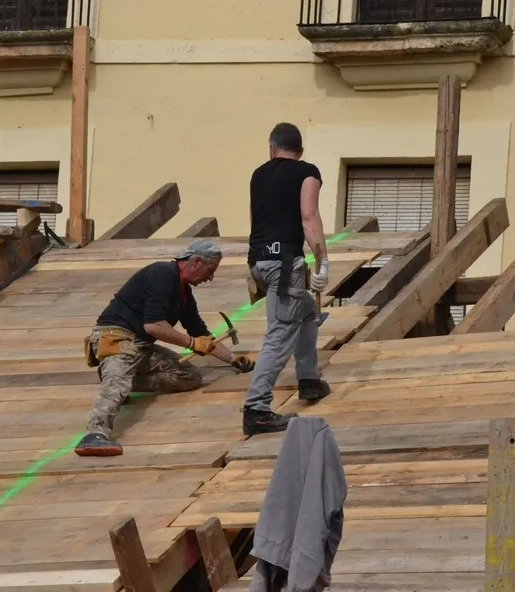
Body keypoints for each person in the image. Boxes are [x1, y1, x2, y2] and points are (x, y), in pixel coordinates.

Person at [75, 239, 256, 457]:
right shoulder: (163, 274)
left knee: (189, 376)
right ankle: (94, 435)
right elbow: (153, 326)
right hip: (117, 337)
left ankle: (127, 380)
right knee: (116, 383)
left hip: (141, 346)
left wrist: (232, 358)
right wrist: (191, 344)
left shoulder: (183, 292)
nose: (210, 278)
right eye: (210, 271)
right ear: (197, 262)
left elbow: (200, 333)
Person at [241, 122, 331, 436]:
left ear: (272, 148)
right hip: (283, 265)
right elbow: (309, 216)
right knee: (279, 335)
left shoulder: (258, 175)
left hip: (259, 263)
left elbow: (256, 221)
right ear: (300, 151)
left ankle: (308, 380)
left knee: (306, 310)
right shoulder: (307, 172)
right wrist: (322, 261)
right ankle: (256, 410)